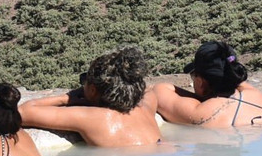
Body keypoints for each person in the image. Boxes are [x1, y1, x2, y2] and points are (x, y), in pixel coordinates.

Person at [19, 46, 161, 147]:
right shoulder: (145, 108)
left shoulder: (90, 117)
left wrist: (66, 98)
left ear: (93, 90)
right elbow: (149, 91)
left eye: (84, 81)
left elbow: (22, 112)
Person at [153, 41, 262, 128]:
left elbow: (159, 89)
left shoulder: (199, 113)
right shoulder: (255, 95)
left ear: (201, 82)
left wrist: (204, 97)